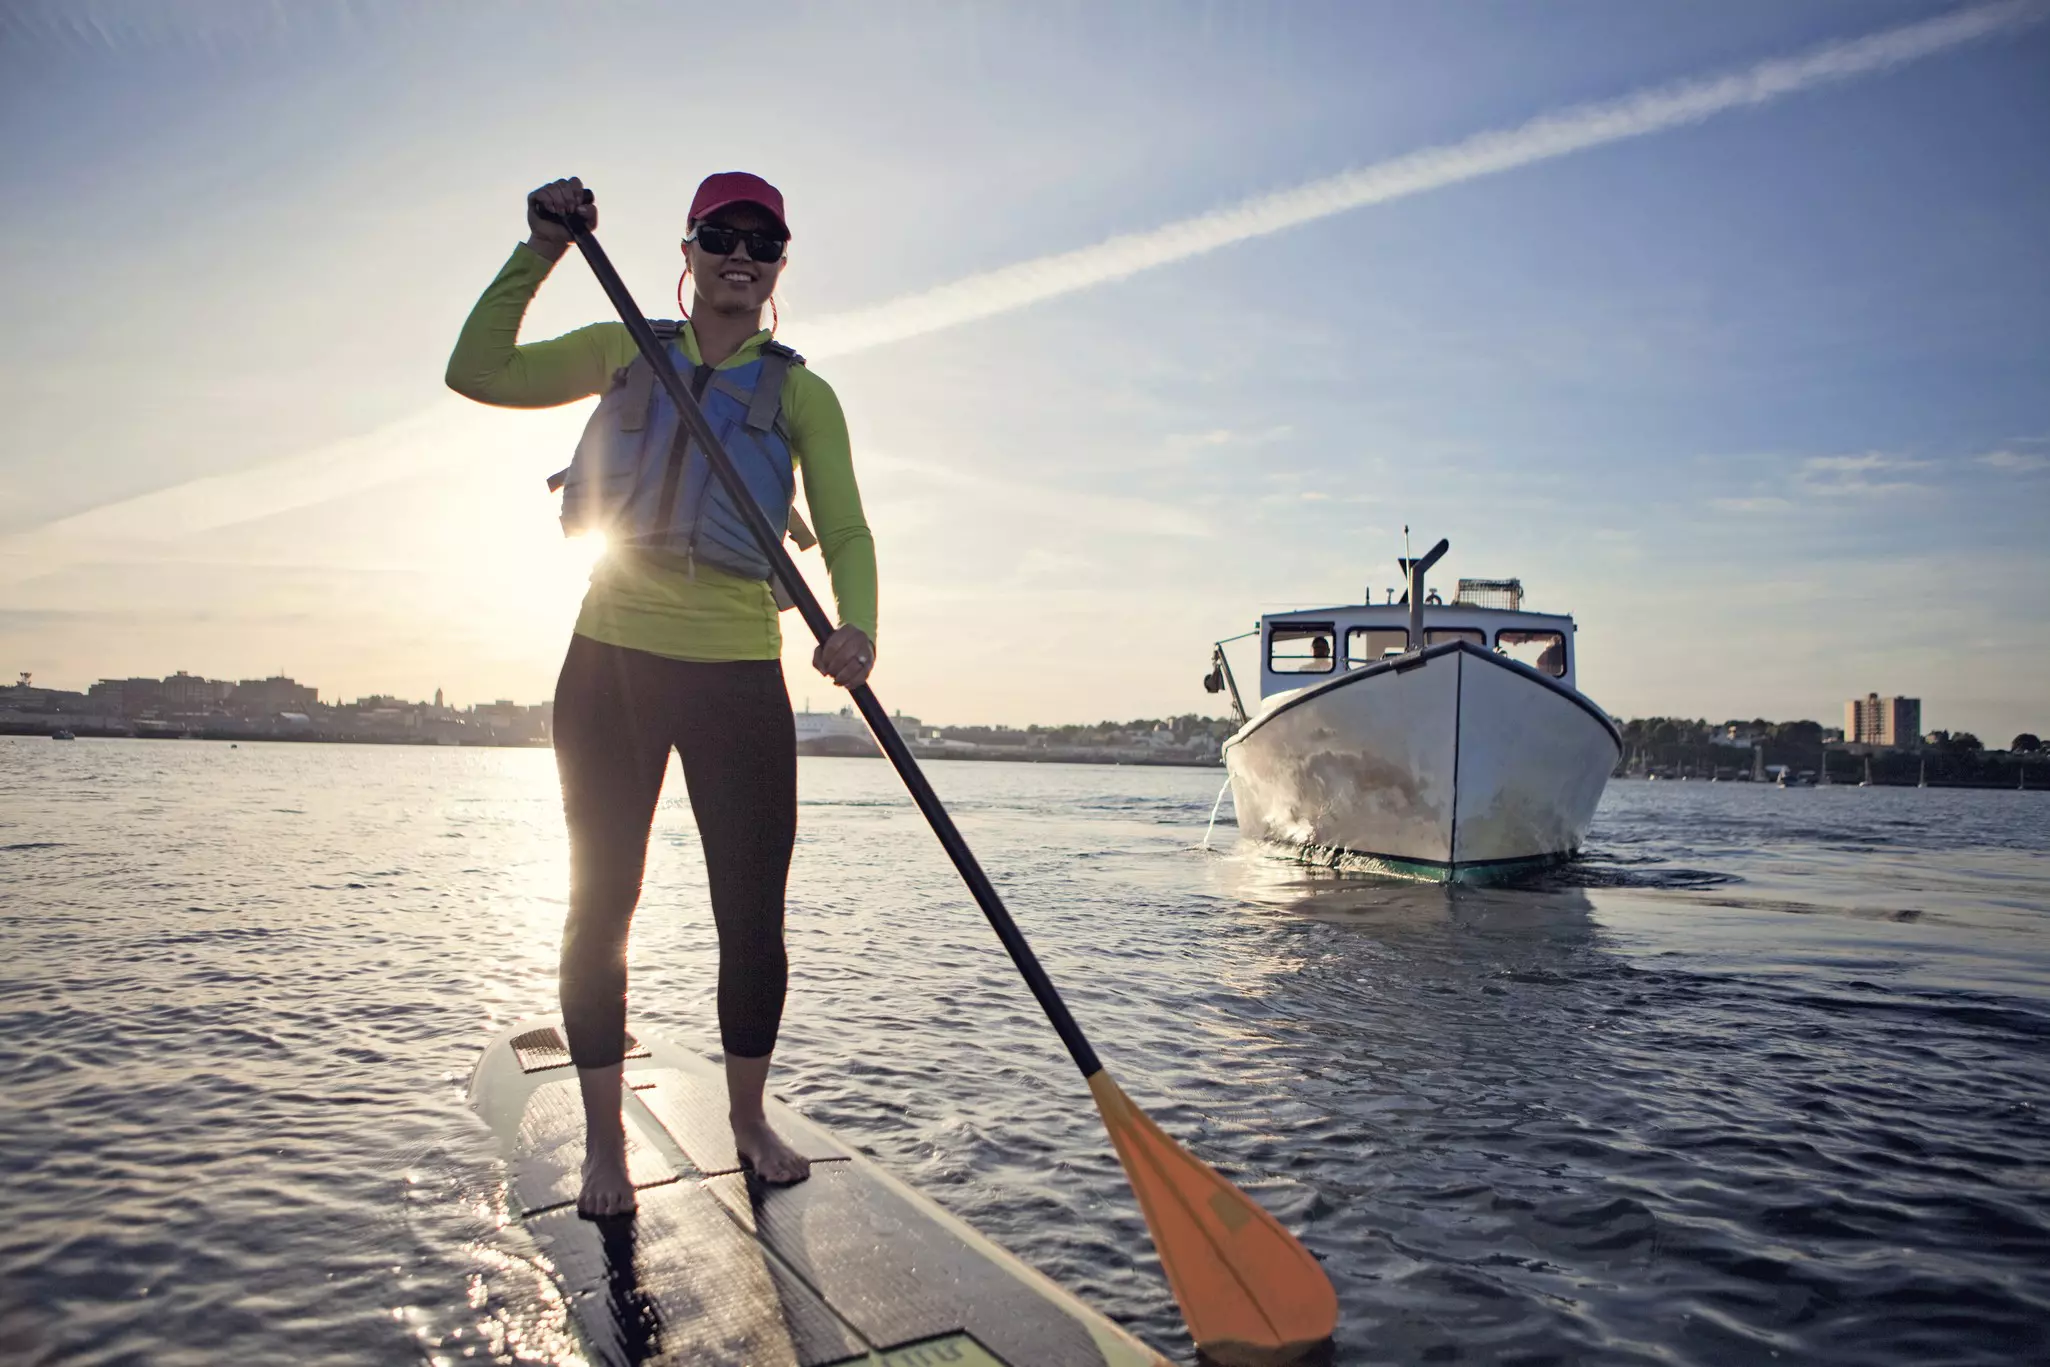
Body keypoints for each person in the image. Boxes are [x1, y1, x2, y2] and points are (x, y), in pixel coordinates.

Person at [446, 172, 878, 1216]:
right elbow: (477, 370)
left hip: (737, 669)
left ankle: (747, 1115)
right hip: (611, 663)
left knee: (751, 914)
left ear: (779, 264)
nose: (743, 254)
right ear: (686, 253)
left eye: (763, 242)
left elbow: (849, 528)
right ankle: (605, 1144)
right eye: (721, 236)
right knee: (602, 903)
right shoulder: (620, 350)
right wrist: (540, 249)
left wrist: (857, 624)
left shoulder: (803, 395)